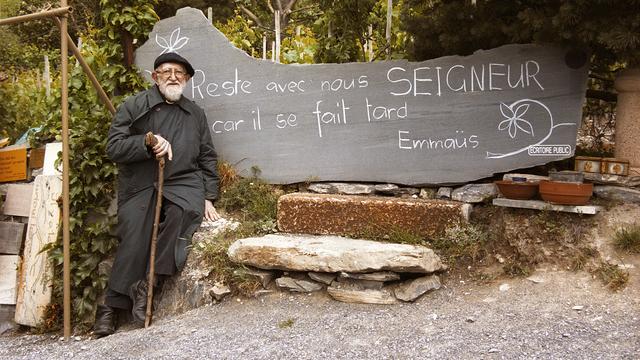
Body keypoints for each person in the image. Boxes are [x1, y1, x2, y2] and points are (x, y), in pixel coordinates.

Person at [93, 52, 220, 337]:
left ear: (186, 80)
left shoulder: (195, 113)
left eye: (179, 73)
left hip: (183, 181)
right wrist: (147, 141)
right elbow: (114, 147)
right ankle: (110, 308)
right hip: (141, 182)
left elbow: (207, 156)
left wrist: (208, 195)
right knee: (135, 235)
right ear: (155, 77)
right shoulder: (134, 106)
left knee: (184, 214)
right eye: (167, 72)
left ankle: (148, 284)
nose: (173, 77)